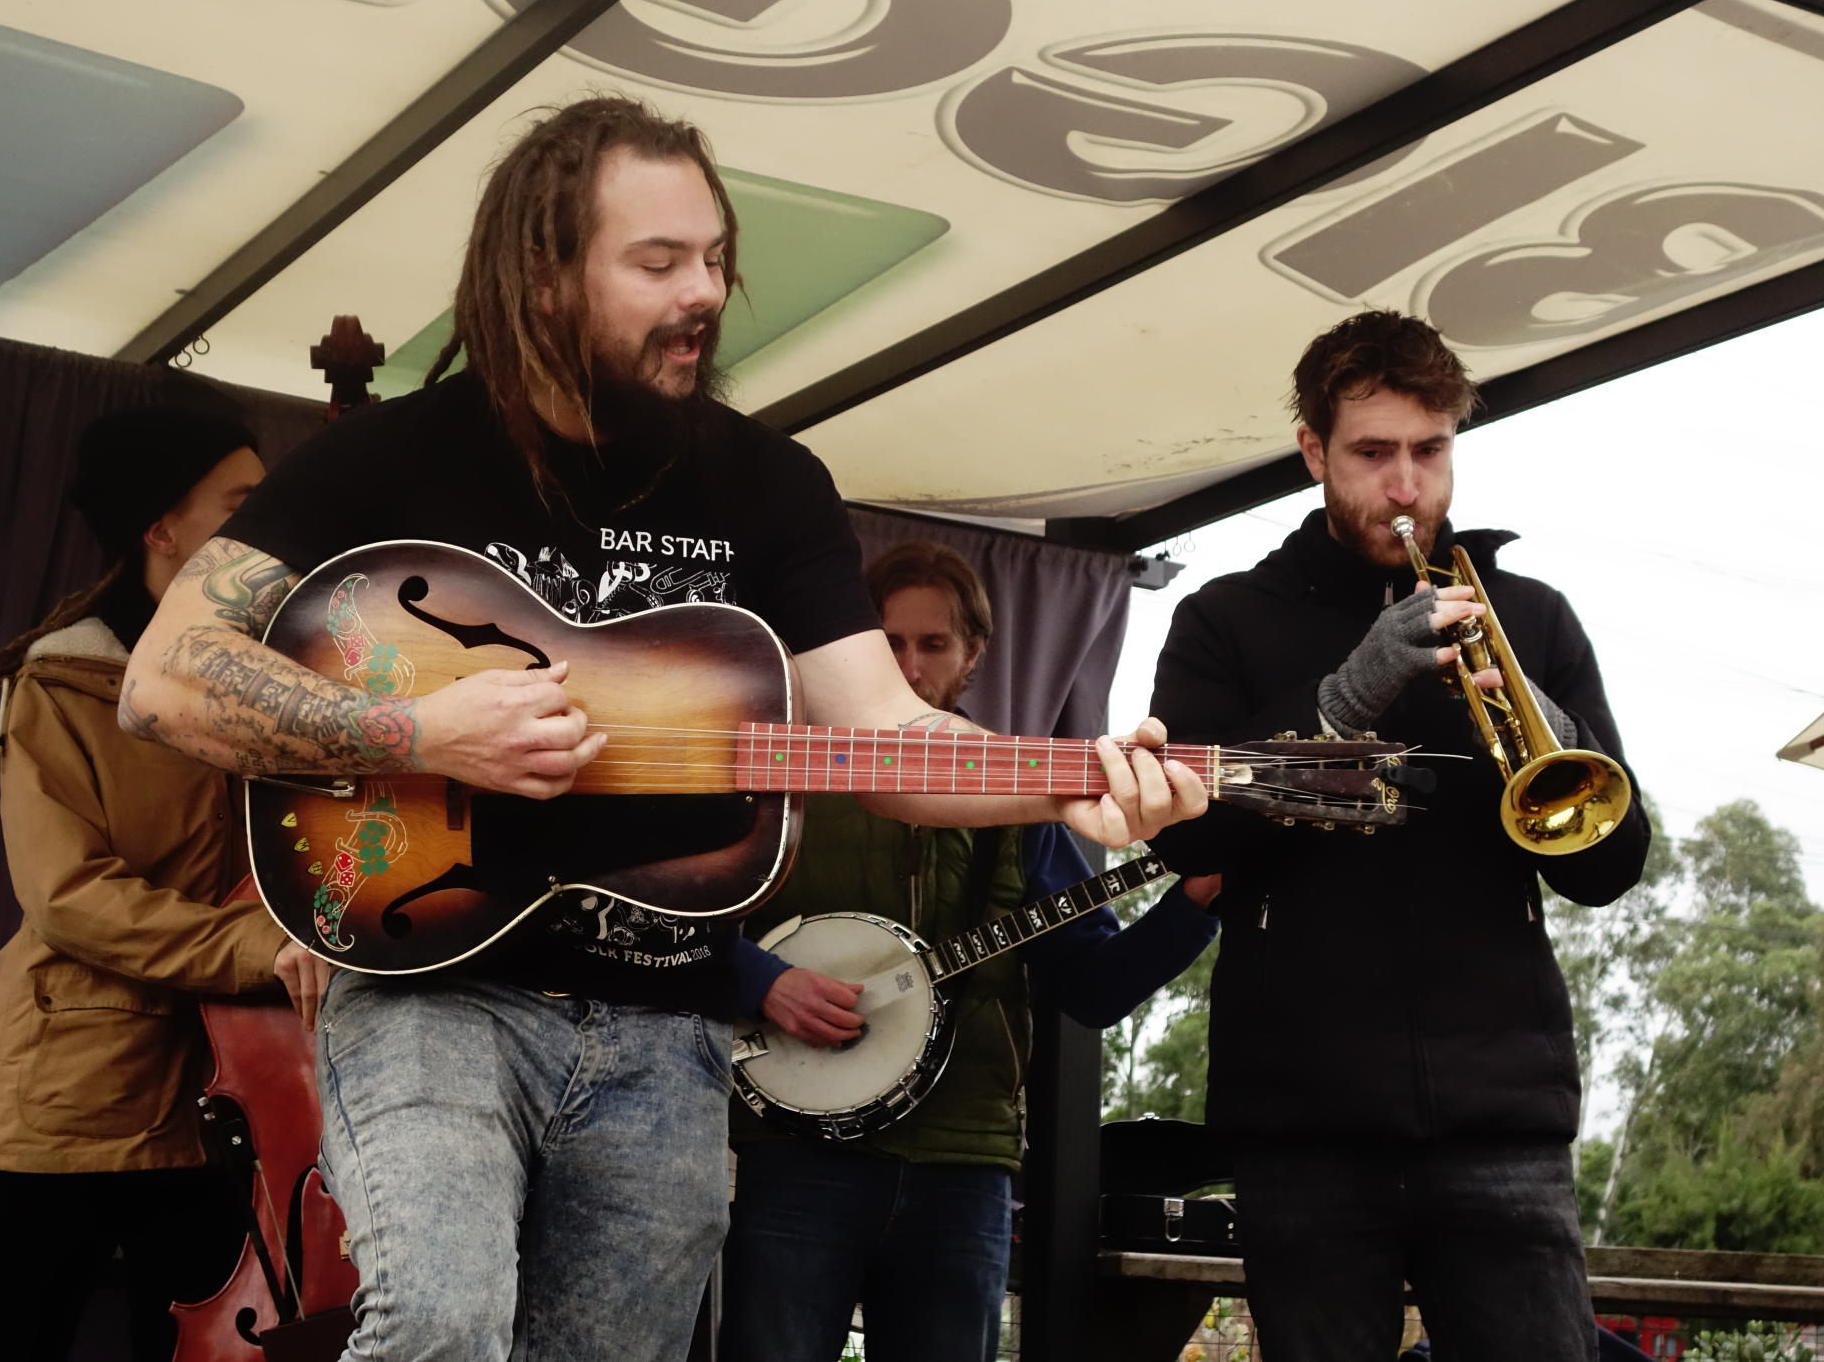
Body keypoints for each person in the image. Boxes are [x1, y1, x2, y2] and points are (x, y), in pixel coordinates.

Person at [118, 94, 1210, 1362]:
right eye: (657, 262)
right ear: (541, 274)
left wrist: (1070, 783)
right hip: (433, 988)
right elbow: (168, 678)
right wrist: (416, 732)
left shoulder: (768, 483)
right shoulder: (392, 457)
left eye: (713, 258)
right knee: (439, 1323)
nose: (703, 293)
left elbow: (886, 734)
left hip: (668, 1023)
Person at [1146, 311, 1653, 1361]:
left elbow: (1610, 867)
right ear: (1313, 452)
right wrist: (1342, 699)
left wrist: (1548, 725)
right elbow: (1186, 843)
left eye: (1430, 450)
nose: (1407, 486)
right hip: (1304, 1121)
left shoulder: (1533, 616)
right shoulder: (1223, 619)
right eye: (1373, 452)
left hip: (1502, 1114)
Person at [721, 540, 1222, 1362]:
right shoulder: (791, 782)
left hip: (962, 1167)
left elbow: (1092, 986)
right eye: (889, 644)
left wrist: (1194, 903)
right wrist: (763, 981)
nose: (910, 668)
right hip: (797, 1152)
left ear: (974, 654)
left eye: (934, 643)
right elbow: (683, 921)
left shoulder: (1020, 801)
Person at [0, 405, 326, 1362]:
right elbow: (68, 896)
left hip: (229, 1101)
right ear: (161, 531)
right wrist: (260, 945)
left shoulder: (278, 682)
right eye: (240, 504)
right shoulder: (63, 684)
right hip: (75, 1090)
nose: (266, 524)